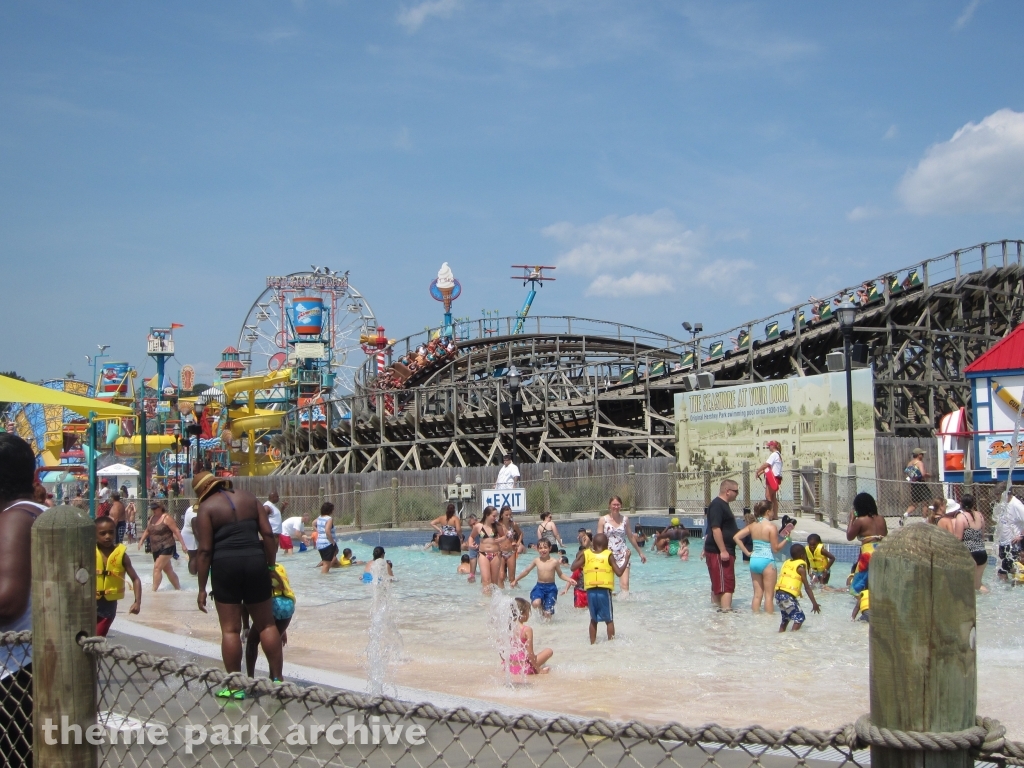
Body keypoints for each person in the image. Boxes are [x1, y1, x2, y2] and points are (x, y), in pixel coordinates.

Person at [192, 471, 283, 694]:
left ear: (202, 492)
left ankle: (235, 687)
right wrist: (270, 567)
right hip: (255, 560)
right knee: (267, 624)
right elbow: (268, 535)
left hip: (225, 566)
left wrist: (202, 588)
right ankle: (278, 680)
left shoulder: (207, 508)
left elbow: (204, 551)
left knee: (231, 631)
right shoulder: (250, 498)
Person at [0, 434, 45, 768]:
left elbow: (7, 603)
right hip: (32, 668)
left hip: (13, 675)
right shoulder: (38, 512)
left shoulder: (15, 518)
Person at [571, 533, 628, 644]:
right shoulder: (608, 555)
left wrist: (581, 554)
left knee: (593, 619)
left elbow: (573, 567)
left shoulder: (586, 554)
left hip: (590, 592)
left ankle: (592, 644)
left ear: (593, 544)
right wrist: (626, 559)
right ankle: (611, 643)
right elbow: (620, 573)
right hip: (604, 592)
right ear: (606, 544)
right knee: (609, 620)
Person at [733, 500, 787, 613]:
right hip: (767, 561)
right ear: (768, 512)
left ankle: (755, 620)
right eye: (772, 510)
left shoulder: (753, 525)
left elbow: (736, 537)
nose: (773, 512)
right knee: (769, 597)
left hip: (754, 560)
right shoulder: (771, 527)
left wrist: (747, 553)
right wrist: (786, 539)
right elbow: (775, 549)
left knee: (757, 595)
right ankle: (768, 623)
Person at [95, 517, 142, 636]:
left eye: (111, 533)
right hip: (88, 604)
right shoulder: (88, 552)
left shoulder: (122, 556)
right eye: (102, 533)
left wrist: (137, 602)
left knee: (98, 638)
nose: (107, 536)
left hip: (108, 608)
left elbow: (135, 579)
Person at [246, 563, 294, 678]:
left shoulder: (259, 567)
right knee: (275, 641)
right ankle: (276, 677)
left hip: (271, 602)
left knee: (252, 641)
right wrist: (283, 631)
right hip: (288, 604)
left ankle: (250, 678)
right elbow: (284, 587)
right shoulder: (281, 566)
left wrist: (245, 624)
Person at [511, 539, 575, 617]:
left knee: (547, 613)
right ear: (537, 549)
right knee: (535, 603)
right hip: (539, 587)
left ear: (550, 548)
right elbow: (526, 571)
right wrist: (516, 580)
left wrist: (569, 579)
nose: (543, 550)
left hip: (551, 588)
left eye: (545, 547)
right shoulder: (537, 560)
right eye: (540, 548)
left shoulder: (554, 562)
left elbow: (560, 574)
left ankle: (547, 627)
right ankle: (540, 609)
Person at [597, 496, 646, 594]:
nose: (616, 507)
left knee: (625, 586)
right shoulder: (603, 520)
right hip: (607, 556)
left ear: (621, 506)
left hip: (623, 555)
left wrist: (640, 553)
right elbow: (598, 539)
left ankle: (626, 608)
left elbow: (631, 537)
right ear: (609, 506)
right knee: (607, 586)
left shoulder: (625, 520)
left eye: (618, 505)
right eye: (614, 505)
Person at [705, 479, 740, 611]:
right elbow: (715, 528)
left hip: (720, 550)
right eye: (736, 491)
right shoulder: (717, 505)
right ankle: (726, 612)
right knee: (726, 585)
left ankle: (717, 612)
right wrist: (723, 550)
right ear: (727, 491)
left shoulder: (722, 505)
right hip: (719, 552)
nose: (737, 494)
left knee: (718, 584)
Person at [138, 500, 185, 591]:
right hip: (156, 548)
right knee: (168, 570)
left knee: (157, 568)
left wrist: (183, 545)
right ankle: (179, 589)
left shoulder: (166, 518)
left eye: (155, 508)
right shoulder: (152, 518)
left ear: (160, 508)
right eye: (152, 508)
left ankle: (154, 591)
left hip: (167, 546)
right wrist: (141, 540)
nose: (153, 510)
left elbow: (176, 531)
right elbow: (148, 530)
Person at [775, 543, 820, 632]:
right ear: (802, 555)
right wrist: (814, 603)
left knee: (785, 619)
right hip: (787, 596)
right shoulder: (800, 569)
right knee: (800, 618)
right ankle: (793, 638)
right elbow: (807, 588)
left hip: (778, 595)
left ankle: (780, 636)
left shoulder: (787, 564)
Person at [508, 598, 552, 675]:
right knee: (549, 651)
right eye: (528, 612)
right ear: (523, 614)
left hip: (510, 667)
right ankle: (537, 668)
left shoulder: (509, 627)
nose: (529, 614)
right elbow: (530, 654)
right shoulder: (527, 630)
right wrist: (539, 670)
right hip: (524, 667)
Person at [958, 495, 989, 593]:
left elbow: (957, 538)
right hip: (982, 553)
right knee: (978, 585)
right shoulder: (980, 515)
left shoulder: (961, 517)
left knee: (966, 586)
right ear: (973, 504)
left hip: (969, 553)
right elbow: (982, 535)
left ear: (961, 504)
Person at [995, 492, 1024, 583]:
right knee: (1002, 570)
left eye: (998, 495)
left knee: (1015, 570)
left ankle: (1017, 593)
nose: (998, 498)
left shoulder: (1016, 505)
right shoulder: (1004, 504)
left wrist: (1022, 535)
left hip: (1013, 544)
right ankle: (1004, 592)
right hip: (1003, 542)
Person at [755, 440, 784, 517]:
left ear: (773, 446)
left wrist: (758, 471)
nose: (768, 447)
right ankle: (775, 515)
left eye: (769, 446)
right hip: (777, 478)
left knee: (768, 496)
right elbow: (770, 468)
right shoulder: (778, 454)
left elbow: (766, 464)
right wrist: (761, 473)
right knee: (773, 497)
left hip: (772, 478)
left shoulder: (774, 454)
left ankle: (769, 515)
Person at [498, 505, 523, 587]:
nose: (509, 517)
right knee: (501, 577)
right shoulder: (497, 525)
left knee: (511, 578)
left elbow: (521, 534)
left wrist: (518, 543)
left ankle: (515, 594)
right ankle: (501, 595)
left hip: (511, 552)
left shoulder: (513, 525)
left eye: (510, 515)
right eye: (506, 515)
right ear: (501, 515)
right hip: (500, 552)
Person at [903, 448, 931, 520]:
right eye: (922, 454)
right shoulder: (919, 463)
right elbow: (923, 474)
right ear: (919, 455)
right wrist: (929, 475)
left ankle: (905, 514)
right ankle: (924, 520)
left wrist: (912, 480)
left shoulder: (910, 463)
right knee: (925, 503)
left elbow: (907, 475)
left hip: (914, 485)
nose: (923, 456)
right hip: (921, 484)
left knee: (914, 504)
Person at [315, 502, 338, 574]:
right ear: (330, 510)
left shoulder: (319, 517)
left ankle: (324, 577)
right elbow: (327, 531)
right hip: (327, 543)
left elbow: (313, 523)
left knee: (325, 562)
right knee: (326, 565)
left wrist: (318, 531)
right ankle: (324, 581)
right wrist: (332, 541)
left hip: (319, 543)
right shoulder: (329, 519)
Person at [181, 502, 199, 575]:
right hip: (191, 535)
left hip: (186, 533)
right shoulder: (194, 516)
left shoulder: (190, 508)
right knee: (194, 556)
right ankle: (194, 574)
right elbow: (196, 532)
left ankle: (192, 574)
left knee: (192, 556)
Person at [463, 513, 479, 582]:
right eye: (471, 525)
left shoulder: (483, 527)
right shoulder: (472, 534)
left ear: (477, 521)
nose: (473, 526)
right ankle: (472, 575)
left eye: (474, 523)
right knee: (472, 552)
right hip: (475, 551)